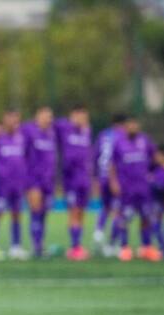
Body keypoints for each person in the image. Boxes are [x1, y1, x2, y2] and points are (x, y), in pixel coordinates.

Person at [110, 116, 163, 262]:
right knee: (125, 217)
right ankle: (124, 247)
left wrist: (162, 169)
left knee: (146, 216)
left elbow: (156, 157)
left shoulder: (145, 140)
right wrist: (114, 182)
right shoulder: (118, 143)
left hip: (143, 187)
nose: (133, 127)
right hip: (127, 187)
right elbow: (112, 164)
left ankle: (146, 248)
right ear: (125, 127)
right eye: (130, 125)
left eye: (135, 124)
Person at [55, 104, 93, 261]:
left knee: (82, 212)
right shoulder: (65, 128)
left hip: (84, 178)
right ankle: (74, 246)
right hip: (71, 179)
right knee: (74, 211)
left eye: (84, 116)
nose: (82, 119)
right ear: (73, 116)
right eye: (79, 116)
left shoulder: (87, 131)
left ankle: (78, 244)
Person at [0, 109, 30, 260]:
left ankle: (16, 246)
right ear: (4, 119)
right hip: (2, 184)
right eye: (11, 119)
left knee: (16, 214)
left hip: (18, 183)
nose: (14, 123)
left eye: (16, 120)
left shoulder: (22, 138)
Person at [22, 107, 58, 258]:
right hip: (33, 178)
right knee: (35, 210)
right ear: (37, 116)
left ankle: (40, 242)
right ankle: (36, 245)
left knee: (44, 212)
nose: (48, 119)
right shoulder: (28, 131)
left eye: (50, 117)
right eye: (45, 116)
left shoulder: (52, 134)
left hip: (48, 179)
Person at [93, 113, 126, 257]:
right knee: (119, 210)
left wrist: (95, 177)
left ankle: (99, 231)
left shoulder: (103, 135)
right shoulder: (122, 137)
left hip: (102, 176)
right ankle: (111, 245)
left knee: (105, 206)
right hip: (116, 178)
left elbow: (95, 155)